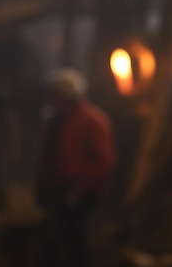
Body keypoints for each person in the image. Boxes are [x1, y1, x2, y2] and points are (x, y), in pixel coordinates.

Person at [35, 67, 115, 267]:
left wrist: (79, 185)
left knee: (80, 247)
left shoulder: (93, 120)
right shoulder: (54, 121)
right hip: (58, 192)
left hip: (86, 195)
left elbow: (104, 162)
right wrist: (41, 189)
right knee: (52, 247)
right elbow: (48, 157)